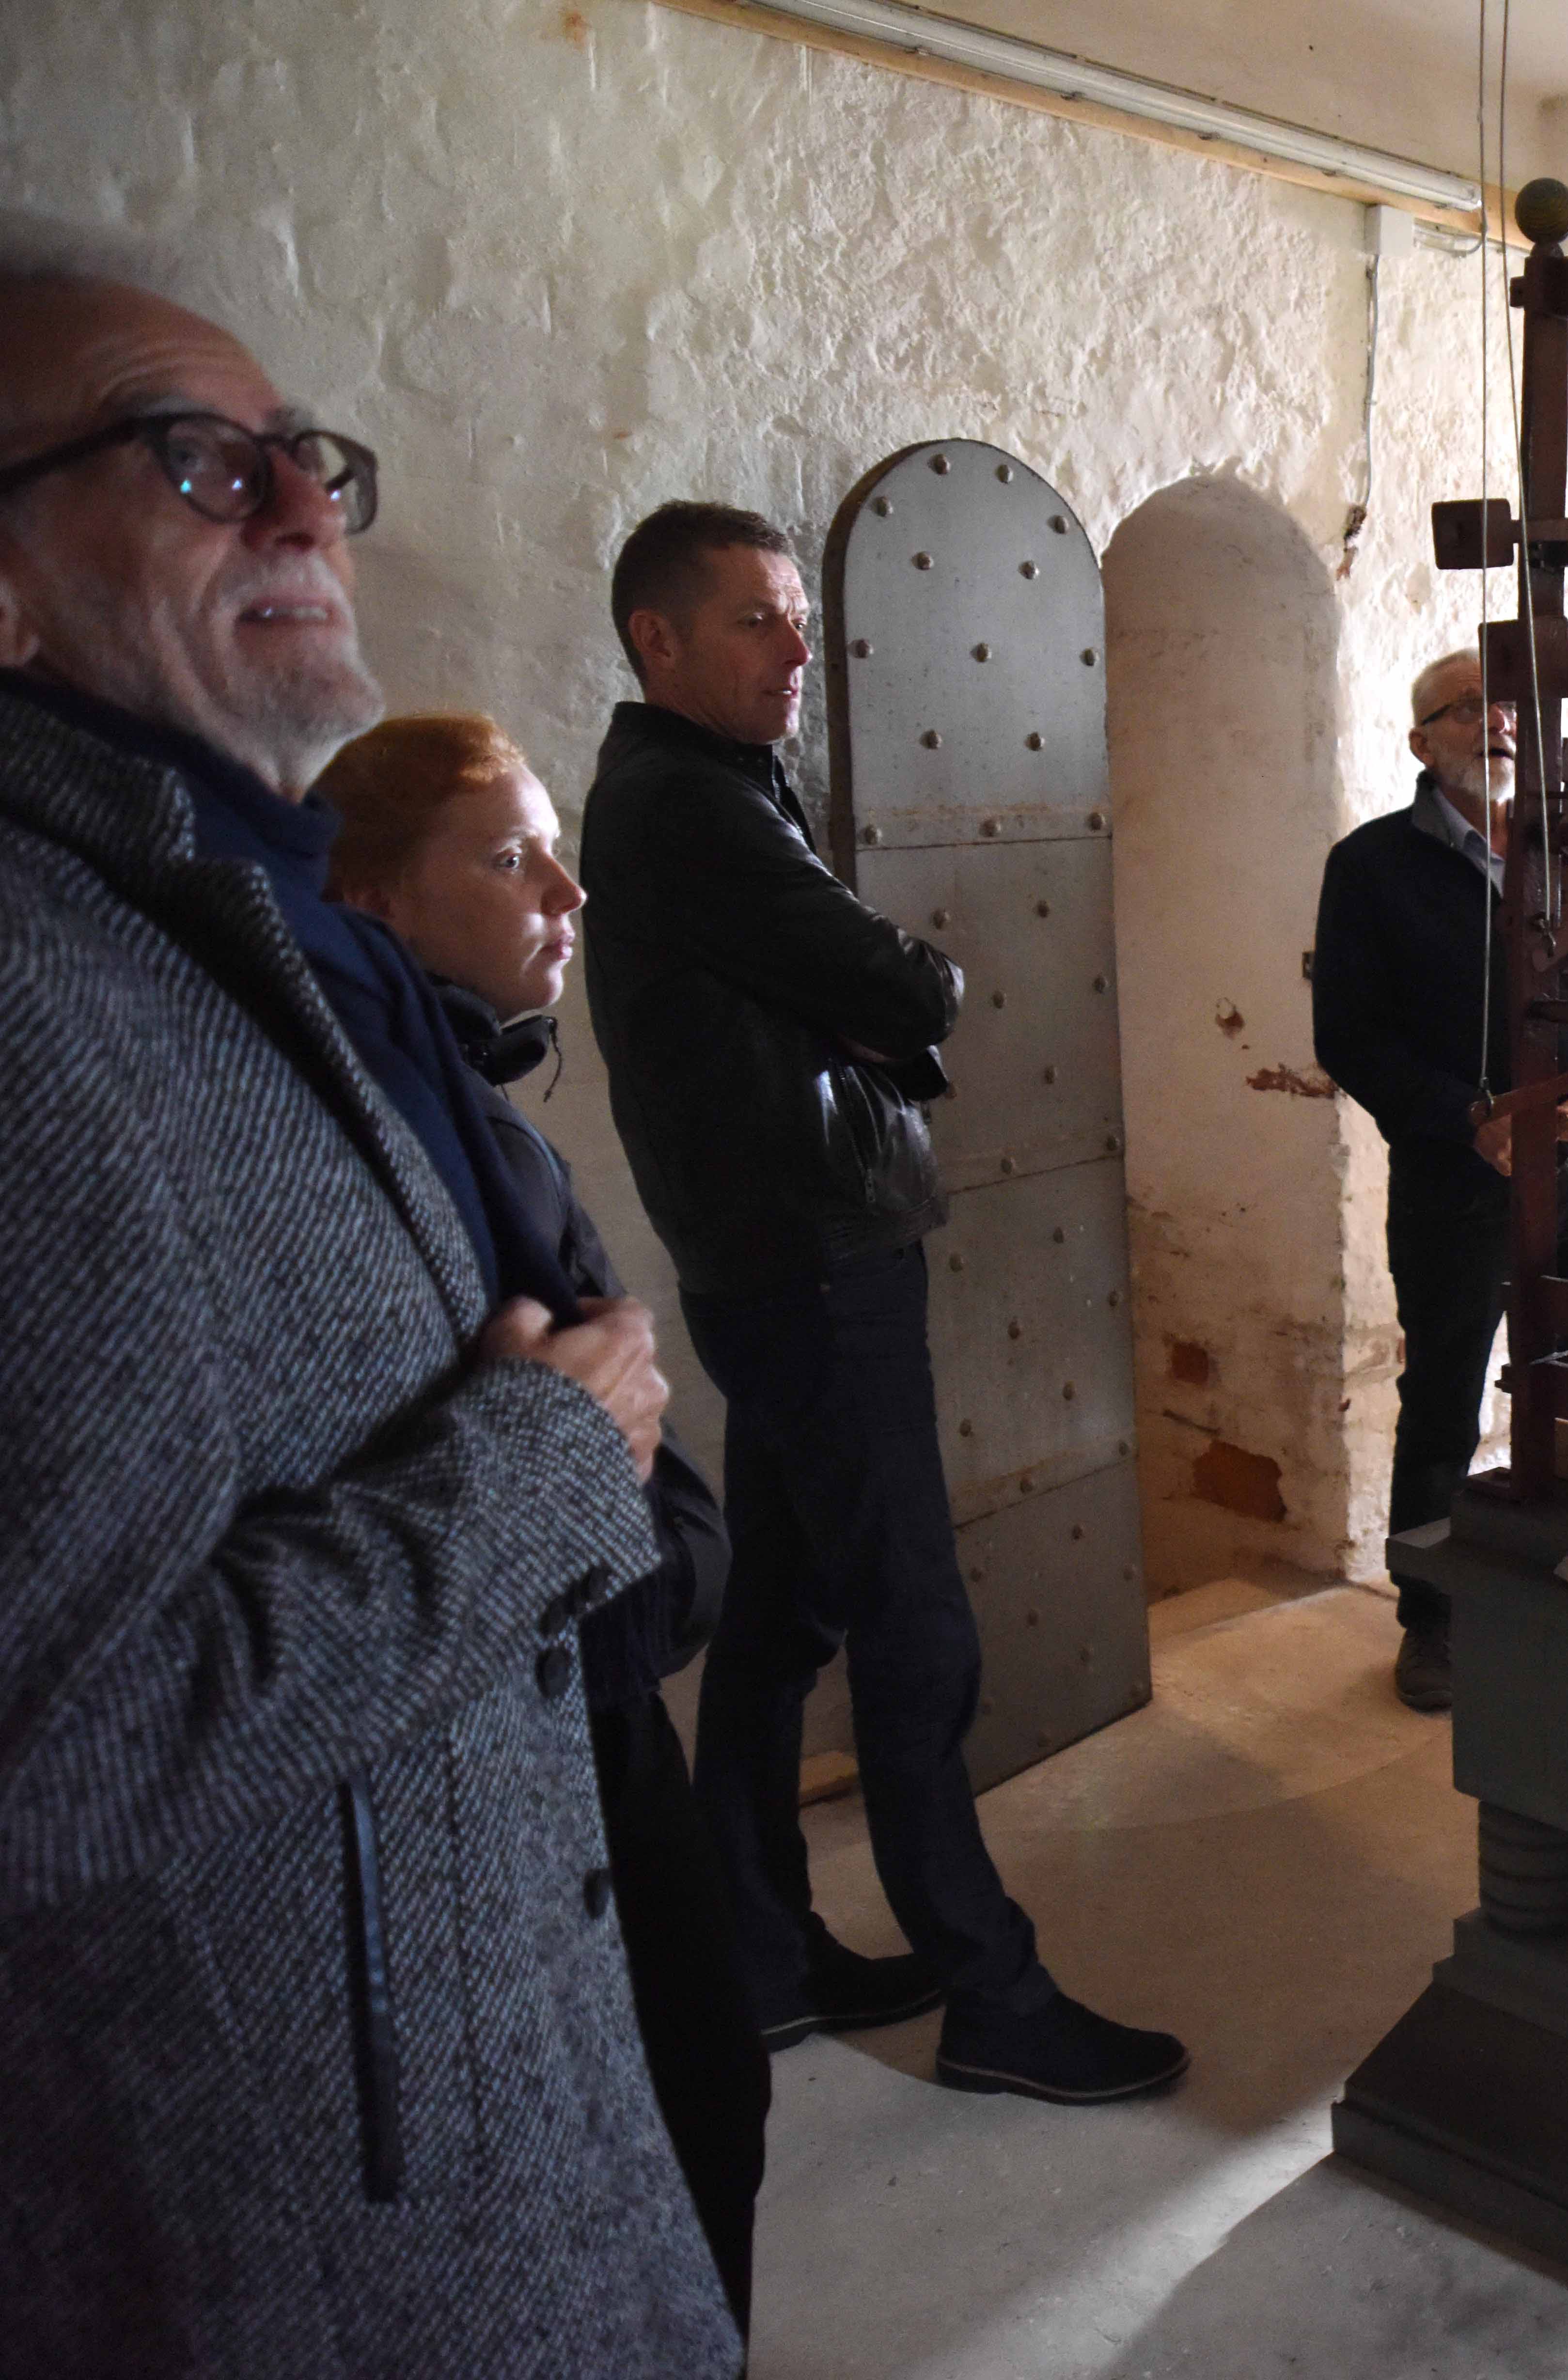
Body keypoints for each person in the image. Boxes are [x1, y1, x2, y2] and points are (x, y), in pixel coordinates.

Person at [0, 243, 736, 2371]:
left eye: (305, 457)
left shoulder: (197, 921)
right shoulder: (33, 983)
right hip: (297, 2241)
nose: (309, 506)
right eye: (197, 460)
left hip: (466, 2121)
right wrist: (534, 1473)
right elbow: (51, 1759)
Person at [580, 501, 1182, 2103]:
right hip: (810, 1264)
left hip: (784, 1255)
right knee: (916, 1625)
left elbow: (862, 999)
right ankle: (992, 1991)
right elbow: (914, 987)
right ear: (657, 640)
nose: (797, 650)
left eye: (798, 616)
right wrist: (886, 1001)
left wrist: (861, 1006)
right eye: (756, 622)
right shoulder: (689, 803)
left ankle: (760, 1953)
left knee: (784, 1615)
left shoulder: (715, 786)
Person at [319, 710, 770, 2332]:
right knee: (683, 2106)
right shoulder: (391, 1134)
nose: (565, 894)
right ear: (369, 902)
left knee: (701, 2097)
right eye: (511, 860)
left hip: (597, 1677)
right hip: (550, 1714)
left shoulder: (460, 1094)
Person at [1312, 648, 1568, 1712]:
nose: (1498, 722)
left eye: (1507, 708)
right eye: (1469, 708)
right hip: (1453, 1185)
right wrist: (1466, 1119)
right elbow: (1350, 1038)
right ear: (1422, 741)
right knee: (1445, 1403)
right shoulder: (1370, 866)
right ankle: (1434, 1620)